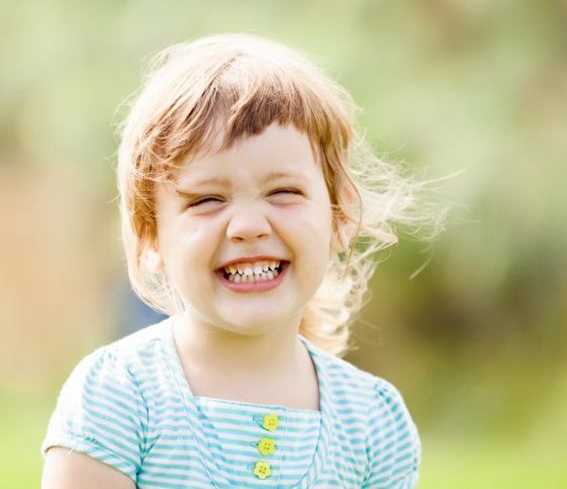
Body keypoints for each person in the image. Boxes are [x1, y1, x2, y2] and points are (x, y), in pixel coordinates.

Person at [41, 33, 445, 488]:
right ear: (151, 235)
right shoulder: (118, 396)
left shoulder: (373, 425)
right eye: (208, 199)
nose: (248, 225)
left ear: (340, 214)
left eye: (284, 192)